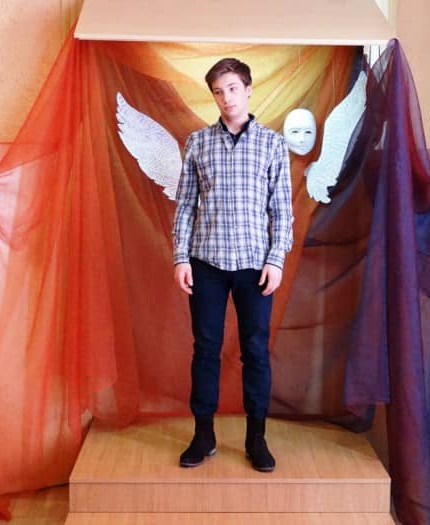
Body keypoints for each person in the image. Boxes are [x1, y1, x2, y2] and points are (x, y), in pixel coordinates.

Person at [172, 58, 293, 472]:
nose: (227, 98)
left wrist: (276, 259)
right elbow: (185, 205)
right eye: (218, 91)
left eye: (233, 88)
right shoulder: (197, 143)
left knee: (255, 351)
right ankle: (203, 435)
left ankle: (256, 438)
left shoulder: (272, 144)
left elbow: (282, 210)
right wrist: (180, 257)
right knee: (205, 349)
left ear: (248, 89)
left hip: (255, 266)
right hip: (206, 262)